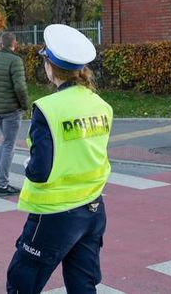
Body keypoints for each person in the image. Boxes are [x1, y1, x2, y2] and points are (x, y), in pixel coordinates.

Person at [6, 24, 112, 294]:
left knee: (23, 282)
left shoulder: (48, 108)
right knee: (82, 285)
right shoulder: (101, 105)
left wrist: (29, 169)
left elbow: (40, 171)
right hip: (93, 209)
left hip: (55, 214)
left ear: (49, 66)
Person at [0, 32, 30, 195]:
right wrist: (25, 105)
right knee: (9, 145)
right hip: (11, 109)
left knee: (6, 142)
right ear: (14, 44)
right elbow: (20, 86)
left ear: (0, 43)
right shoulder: (15, 60)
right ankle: (2, 184)